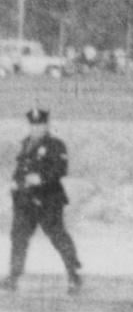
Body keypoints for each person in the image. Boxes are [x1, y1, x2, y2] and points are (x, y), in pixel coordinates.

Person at [3, 108, 83, 294]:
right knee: (19, 238)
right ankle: (13, 276)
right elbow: (20, 169)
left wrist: (41, 178)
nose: (36, 128)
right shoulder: (26, 144)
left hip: (49, 200)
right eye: (33, 125)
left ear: (46, 125)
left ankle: (73, 275)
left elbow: (60, 169)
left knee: (57, 236)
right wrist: (16, 183)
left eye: (40, 125)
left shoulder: (56, 145)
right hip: (25, 201)